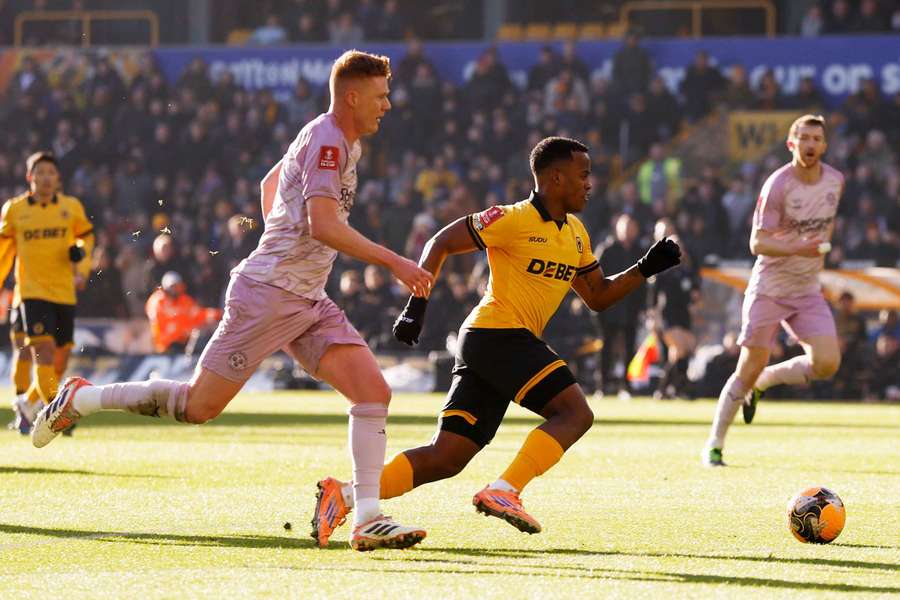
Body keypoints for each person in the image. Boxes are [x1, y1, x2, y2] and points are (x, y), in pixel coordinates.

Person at [31, 50, 433, 552]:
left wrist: (284, 243)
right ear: (352, 96)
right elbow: (324, 225)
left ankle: (367, 515)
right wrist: (394, 262)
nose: (388, 105)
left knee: (373, 392)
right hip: (268, 296)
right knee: (199, 406)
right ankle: (81, 398)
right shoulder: (330, 141)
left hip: (304, 298)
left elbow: (271, 186)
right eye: (380, 95)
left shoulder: (332, 136)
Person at [310, 137, 681, 546]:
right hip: (496, 333)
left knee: (447, 457)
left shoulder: (575, 233)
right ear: (556, 178)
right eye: (583, 175)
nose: (590, 184)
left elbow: (597, 296)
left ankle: (343, 495)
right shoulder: (511, 218)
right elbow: (441, 242)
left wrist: (645, 268)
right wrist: (417, 306)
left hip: (496, 344)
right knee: (575, 414)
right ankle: (505, 489)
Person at [703, 115, 843, 467]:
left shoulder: (835, 181)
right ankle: (714, 445)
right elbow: (757, 242)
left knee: (827, 363)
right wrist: (799, 249)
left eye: (817, 138)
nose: (811, 144)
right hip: (769, 287)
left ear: (824, 146)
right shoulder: (778, 185)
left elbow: (826, 226)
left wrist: (817, 260)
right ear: (791, 144)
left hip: (807, 288)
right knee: (747, 366)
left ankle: (766, 381)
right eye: (804, 138)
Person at [0, 152, 93, 434]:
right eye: (40, 172)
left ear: (58, 178)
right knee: (41, 350)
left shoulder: (71, 207)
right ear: (30, 177)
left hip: (64, 291)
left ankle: (28, 403)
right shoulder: (15, 210)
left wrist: (82, 263)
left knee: (60, 358)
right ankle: (55, 412)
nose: (46, 178)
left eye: (51, 172)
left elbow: (86, 237)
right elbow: (3, 250)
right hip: (31, 291)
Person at [650, 219, 700, 400]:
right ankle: (665, 388)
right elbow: (654, 297)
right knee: (678, 350)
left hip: (683, 315)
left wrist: (695, 299)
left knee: (685, 350)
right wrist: (653, 317)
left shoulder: (687, 271)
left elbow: (694, 292)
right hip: (669, 315)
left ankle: (673, 388)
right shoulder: (663, 271)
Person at [145, 271, 222, 354]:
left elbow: (198, 313)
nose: (175, 289)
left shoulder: (184, 300)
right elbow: (159, 322)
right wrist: (182, 328)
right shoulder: (158, 301)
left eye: (177, 286)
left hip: (184, 341)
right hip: (165, 344)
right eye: (173, 287)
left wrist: (218, 314)